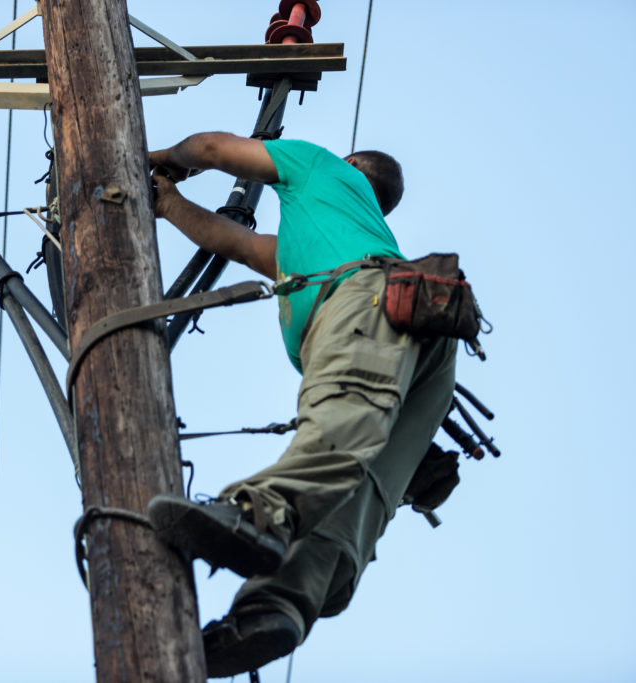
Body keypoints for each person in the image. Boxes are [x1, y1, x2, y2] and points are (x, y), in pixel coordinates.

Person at [146, 133, 458, 677]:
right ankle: (277, 604)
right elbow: (242, 245)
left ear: (354, 166)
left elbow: (216, 149)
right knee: (362, 487)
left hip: (370, 304)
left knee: (340, 416)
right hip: (426, 339)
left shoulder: (321, 168)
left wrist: (163, 160)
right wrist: (169, 205)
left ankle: (258, 515)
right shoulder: (326, 236)